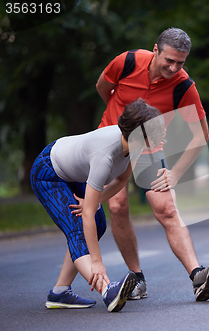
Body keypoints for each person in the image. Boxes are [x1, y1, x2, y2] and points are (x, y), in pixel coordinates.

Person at [95, 27, 209, 301]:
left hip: (149, 149)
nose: (174, 67)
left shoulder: (183, 85)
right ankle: (137, 278)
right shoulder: (127, 61)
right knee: (117, 206)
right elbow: (102, 87)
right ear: (155, 49)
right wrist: (118, 117)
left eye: (181, 62)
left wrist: (176, 173)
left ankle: (198, 276)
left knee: (166, 208)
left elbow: (202, 134)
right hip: (113, 142)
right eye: (169, 60)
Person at [30, 98, 166, 312]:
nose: (161, 139)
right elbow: (87, 214)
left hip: (73, 173)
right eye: (156, 133)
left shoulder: (134, 146)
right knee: (78, 227)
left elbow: (121, 181)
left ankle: (60, 292)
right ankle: (107, 291)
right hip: (48, 174)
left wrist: (92, 202)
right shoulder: (105, 156)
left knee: (98, 224)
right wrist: (97, 261)